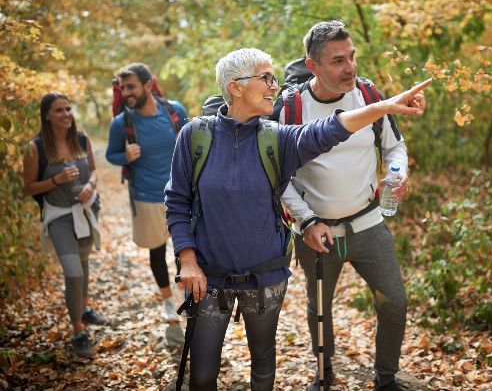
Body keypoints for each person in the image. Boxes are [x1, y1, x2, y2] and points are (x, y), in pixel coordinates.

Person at [165, 47, 430, 391]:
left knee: (263, 368)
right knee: (201, 376)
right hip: (209, 276)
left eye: (273, 78)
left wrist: (383, 106)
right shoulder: (195, 136)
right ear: (235, 87)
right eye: (265, 78)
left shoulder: (275, 137)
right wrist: (187, 259)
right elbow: (176, 200)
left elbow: (327, 130)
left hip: (266, 277)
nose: (274, 87)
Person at [271, 20, 427, 391]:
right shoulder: (291, 109)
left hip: (368, 224)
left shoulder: (370, 95)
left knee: (395, 302)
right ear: (313, 66)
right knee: (320, 310)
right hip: (317, 234)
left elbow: (394, 147)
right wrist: (307, 221)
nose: (350, 67)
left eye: (352, 56)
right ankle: (323, 376)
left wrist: (396, 171)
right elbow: (277, 178)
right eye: (338, 60)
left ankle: (386, 378)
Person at [23, 92, 105, 358]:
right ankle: (78, 332)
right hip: (58, 217)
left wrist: (91, 185)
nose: (66, 114)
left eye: (68, 109)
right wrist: (57, 179)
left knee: (83, 264)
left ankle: (83, 308)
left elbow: (93, 170)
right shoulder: (35, 148)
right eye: (59, 110)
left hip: (86, 211)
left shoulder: (81, 139)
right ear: (47, 115)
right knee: (73, 273)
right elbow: (29, 188)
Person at [105, 63, 189, 322]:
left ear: (148, 85)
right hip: (146, 196)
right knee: (156, 250)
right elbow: (111, 154)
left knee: (185, 250)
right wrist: (125, 156)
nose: (126, 93)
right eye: (123, 88)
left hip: (182, 195)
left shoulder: (174, 111)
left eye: (131, 86)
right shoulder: (121, 124)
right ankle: (166, 301)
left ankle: (184, 296)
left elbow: (191, 142)